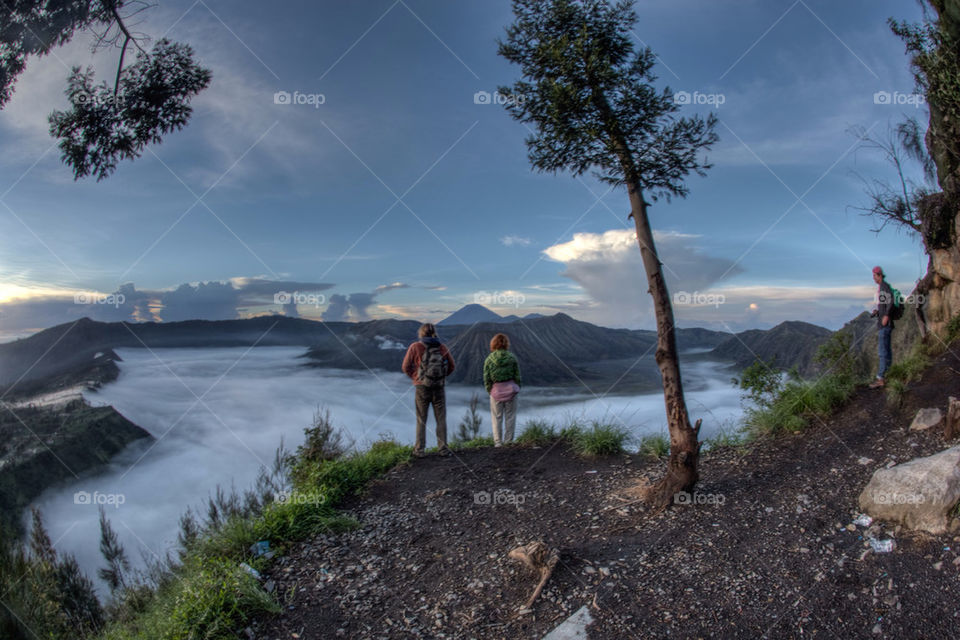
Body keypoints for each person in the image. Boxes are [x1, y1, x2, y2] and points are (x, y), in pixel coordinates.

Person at [402, 323, 455, 456]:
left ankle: (419, 450)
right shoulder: (442, 347)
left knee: (421, 419)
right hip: (439, 387)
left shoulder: (415, 347)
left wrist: (416, 377)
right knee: (441, 419)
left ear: (421, 333)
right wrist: (441, 378)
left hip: (422, 387)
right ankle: (443, 449)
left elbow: (406, 367)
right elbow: (452, 366)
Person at [483, 333, 522, 446]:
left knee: (496, 418)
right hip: (511, 391)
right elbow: (517, 376)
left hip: (496, 392)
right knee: (510, 417)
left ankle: (498, 442)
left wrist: (490, 390)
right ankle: (509, 441)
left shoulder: (489, 359)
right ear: (506, 344)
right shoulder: (512, 358)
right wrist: (517, 387)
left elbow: (486, 377)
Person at [870, 266, 894, 389]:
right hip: (885, 324)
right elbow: (885, 305)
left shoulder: (884, 287)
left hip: (885, 326)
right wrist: (878, 312)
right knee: (887, 351)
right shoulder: (882, 287)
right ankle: (888, 374)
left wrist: (886, 316)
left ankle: (880, 378)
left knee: (882, 352)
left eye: (874, 275)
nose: (873, 278)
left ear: (879, 275)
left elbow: (891, 301)